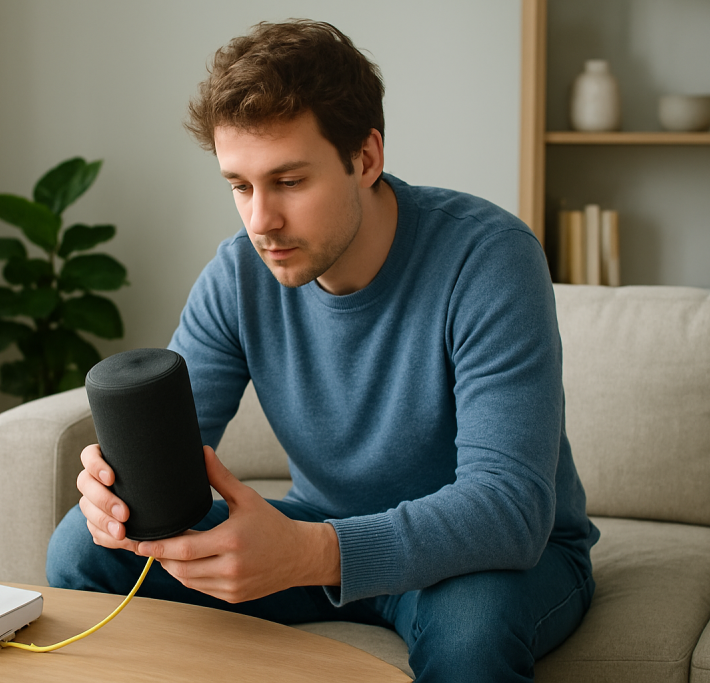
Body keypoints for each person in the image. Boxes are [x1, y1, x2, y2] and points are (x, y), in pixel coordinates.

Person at [46, 19, 599, 681]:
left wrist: (312, 552)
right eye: (241, 186)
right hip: (321, 527)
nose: (261, 222)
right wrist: (118, 495)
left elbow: (509, 508)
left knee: (471, 634)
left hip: (486, 556)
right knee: (83, 549)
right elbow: (176, 449)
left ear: (365, 158)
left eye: (289, 182)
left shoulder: (488, 258)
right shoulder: (237, 275)